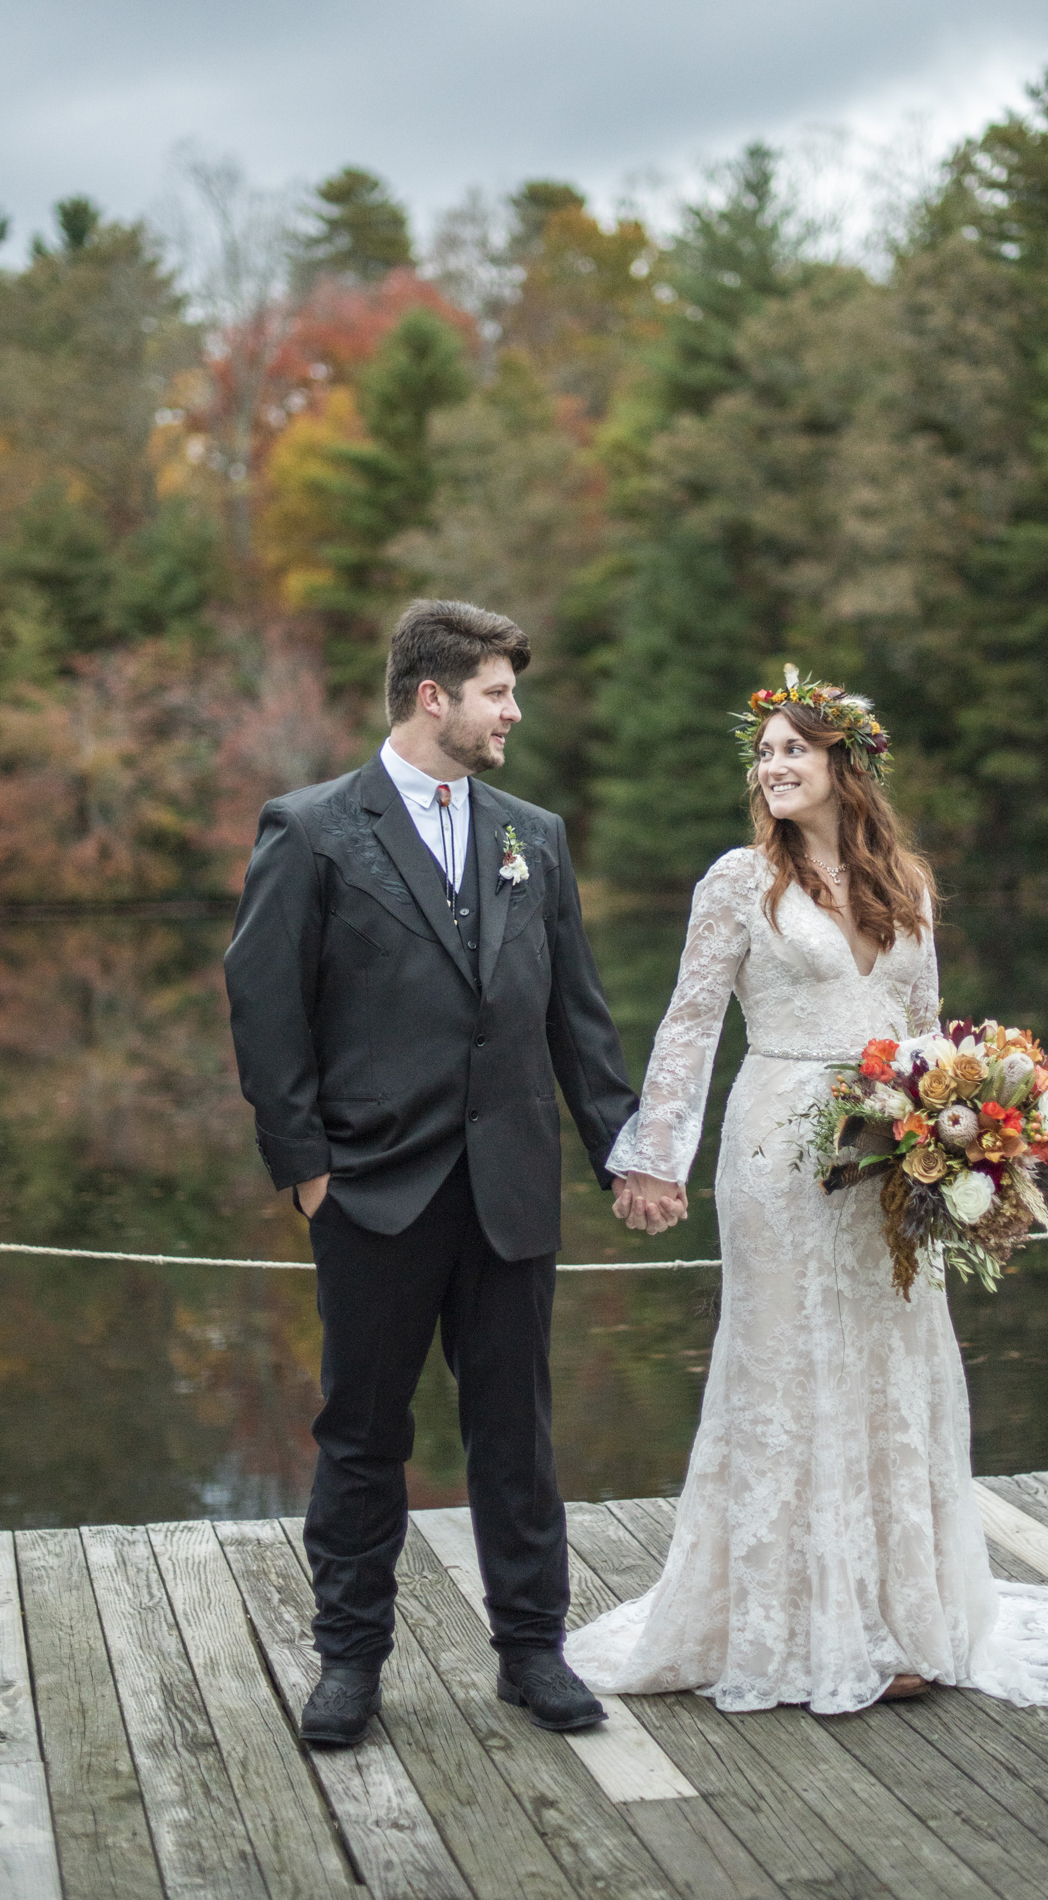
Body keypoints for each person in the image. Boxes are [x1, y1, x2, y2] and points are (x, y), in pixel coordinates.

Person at [565, 678, 1048, 1713]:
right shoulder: (736, 882)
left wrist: (975, 1127)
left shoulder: (907, 885)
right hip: (776, 1148)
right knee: (789, 1362)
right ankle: (792, 1620)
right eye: (763, 753)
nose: (773, 766)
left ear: (848, 765)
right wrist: (653, 1156)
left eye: (793, 748)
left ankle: (902, 1616)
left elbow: (930, 1028)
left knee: (894, 1363)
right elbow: (688, 1026)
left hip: (890, 1152)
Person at [225, 598, 637, 1745]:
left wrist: (624, 1154)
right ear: (432, 697)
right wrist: (307, 1169)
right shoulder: (310, 830)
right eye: (499, 691)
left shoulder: (532, 835)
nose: (514, 710)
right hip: (372, 1189)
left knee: (518, 1429)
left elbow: (578, 1020)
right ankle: (349, 1662)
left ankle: (532, 1651)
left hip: (510, 1188)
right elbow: (265, 1012)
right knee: (363, 1434)